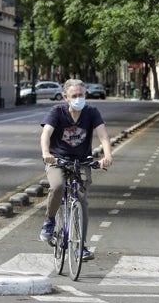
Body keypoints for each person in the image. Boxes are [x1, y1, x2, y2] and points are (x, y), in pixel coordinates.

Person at [39, 79, 113, 261]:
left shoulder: (91, 112)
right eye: (74, 96)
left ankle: (82, 245)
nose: (78, 99)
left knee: (81, 199)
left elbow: (103, 135)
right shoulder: (57, 112)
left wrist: (107, 155)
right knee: (57, 187)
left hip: (81, 161)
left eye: (81, 95)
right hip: (57, 159)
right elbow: (46, 133)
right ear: (66, 97)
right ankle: (49, 221)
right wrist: (46, 153)